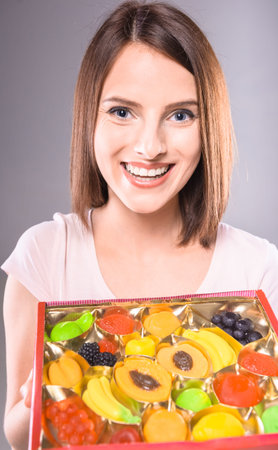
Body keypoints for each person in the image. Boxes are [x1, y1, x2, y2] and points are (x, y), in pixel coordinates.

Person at [2, 1, 278, 448]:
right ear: (88, 116)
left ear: (210, 126)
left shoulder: (258, 267)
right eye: (122, 111)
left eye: (181, 114)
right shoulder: (45, 255)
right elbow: (17, 435)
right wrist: (46, 394)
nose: (150, 146)